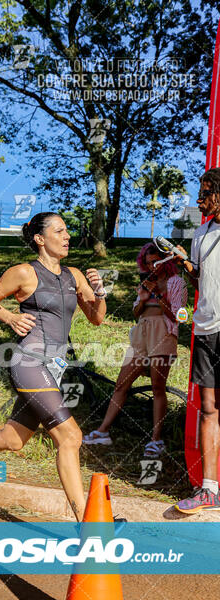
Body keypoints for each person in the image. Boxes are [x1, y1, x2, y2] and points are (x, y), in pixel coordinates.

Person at [0, 212, 106, 521]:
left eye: (67, 230)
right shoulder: (25, 273)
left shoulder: (75, 275)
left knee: (12, 440)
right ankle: (87, 522)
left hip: (53, 367)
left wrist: (101, 290)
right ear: (40, 239)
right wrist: (10, 318)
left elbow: (97, 317)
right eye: (60, 231)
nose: (67, 236)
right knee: (70, 437)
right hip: (29, 362)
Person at [83, 242, 187, 458]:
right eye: (148, 263)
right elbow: (137, 312)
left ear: (165, 260)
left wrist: (157, 295)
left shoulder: (176, 282)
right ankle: (103, 431)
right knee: (121, 384)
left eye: (155, 262)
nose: (152, 267)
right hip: (141, 334)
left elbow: (177, 315)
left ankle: (156, 440)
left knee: (158, 388)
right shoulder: (146, 282)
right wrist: (144, 295)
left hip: (163, 334)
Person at [174, 168, 220, 513]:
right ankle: (209, 489)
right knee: (209, 409)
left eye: (206, 192)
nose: (199, 198)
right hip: (205, 327)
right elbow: (202, 279)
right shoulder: (201, 232)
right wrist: (185, 266)